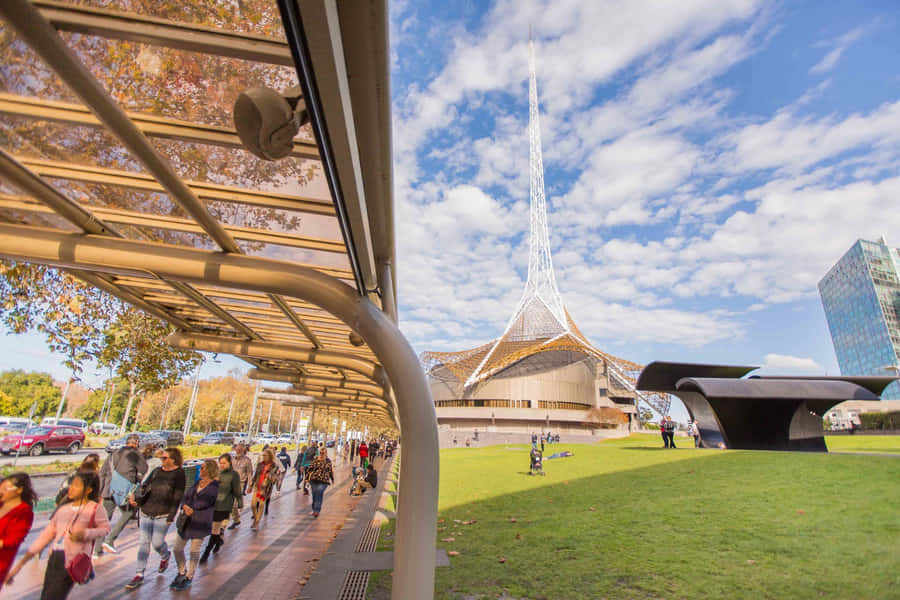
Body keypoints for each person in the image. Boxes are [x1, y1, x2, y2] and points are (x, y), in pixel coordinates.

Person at [8, 472, 110, 599]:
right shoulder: (63, 509)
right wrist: (20, 564)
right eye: (71, 485)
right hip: (55, 557)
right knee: (46, 595)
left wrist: (86, 533)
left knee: (53, 596)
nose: (71, 488)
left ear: (88, 490)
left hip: (73, 559)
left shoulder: (95, 508)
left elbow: (105, 529)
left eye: (76, 485)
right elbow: (45, 536)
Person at [123, 447, 186, 590]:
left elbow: (178, 496)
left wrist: (172, 515)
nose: (162, 460)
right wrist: (137, 500)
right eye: (162, 458)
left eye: (165, 458)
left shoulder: (179, 474)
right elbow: (144, 486)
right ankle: (139, 574)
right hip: (147, 510)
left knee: (157, 543)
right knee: (144, 543)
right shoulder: (157, 471)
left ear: (173, 459)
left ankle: (165, 555)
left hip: (163, 514)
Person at [171, 459, 219, 591]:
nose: (200, 470)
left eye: (203, 468)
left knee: (194, 550)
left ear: (209, 470)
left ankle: (189, 576)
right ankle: (181, 570)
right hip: (186, 521)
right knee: (177, 548)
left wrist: (191, 506)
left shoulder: (214, 486)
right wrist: (185, 505)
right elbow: (186, 496)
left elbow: (205, 502)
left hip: (200, 523)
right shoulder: (197, 482)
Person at [97, 434, 147, 555]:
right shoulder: (136, 455)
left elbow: (102, 473)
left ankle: (97, 549)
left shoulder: (114, 453)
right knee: (129, 512)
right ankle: (110, 539)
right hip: (123, 492)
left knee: (105, 518)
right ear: (136, 443)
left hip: (108, 490)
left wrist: (99, 492)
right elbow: (143, 471)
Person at [201, 453, 242, 564]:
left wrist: (240, 503)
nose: (222, 465)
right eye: (220, 463)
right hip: (213, 504)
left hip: (224, 505)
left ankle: (206, 553)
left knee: (215, 528)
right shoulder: (216, 474)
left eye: (224, 463)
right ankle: (218, 541)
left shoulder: (233, 475)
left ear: (230, 463)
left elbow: (237, 490)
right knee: (214, 529)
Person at [0, 473, 36, 591]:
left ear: (19, 490)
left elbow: (14, 540)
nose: (1, 491)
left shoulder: (24, 512)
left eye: (5, 489)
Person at [249, 449, 278, 530]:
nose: (263, 457)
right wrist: (251, 485)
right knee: (253, 504)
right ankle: (256, 518)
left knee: (261, 505)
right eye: (263, 455)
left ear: (270, 456)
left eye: (265, 455)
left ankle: (257, 522)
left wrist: (270, 476)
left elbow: (275, 478)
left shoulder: (273, 466)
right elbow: (255, 475)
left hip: (264, 489)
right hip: (257, 487)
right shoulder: (260, 465)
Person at [228, 444, 253, 530]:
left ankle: (236, 519)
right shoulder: (232, 459)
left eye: (240, 450)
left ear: (243, 450)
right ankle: (236, 519)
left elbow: (250, 473)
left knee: (234, 504)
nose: (238, 451)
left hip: (241, 483)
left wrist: (250, 485)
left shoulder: (247, 461)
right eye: (237, 449)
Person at [306, 447, 334, 517]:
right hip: (314, 480)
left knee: (319, 492)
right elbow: (310, 469)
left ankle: (317, 510)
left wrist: (332, 479)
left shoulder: (328, 461)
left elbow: (330, 470)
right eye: (320, 453)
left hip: (324, 481)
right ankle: (314, 509)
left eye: (323, 453)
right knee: (314, 494)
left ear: (326, 453)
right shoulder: (315, 459)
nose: (321, 454)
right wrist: (307, 479)